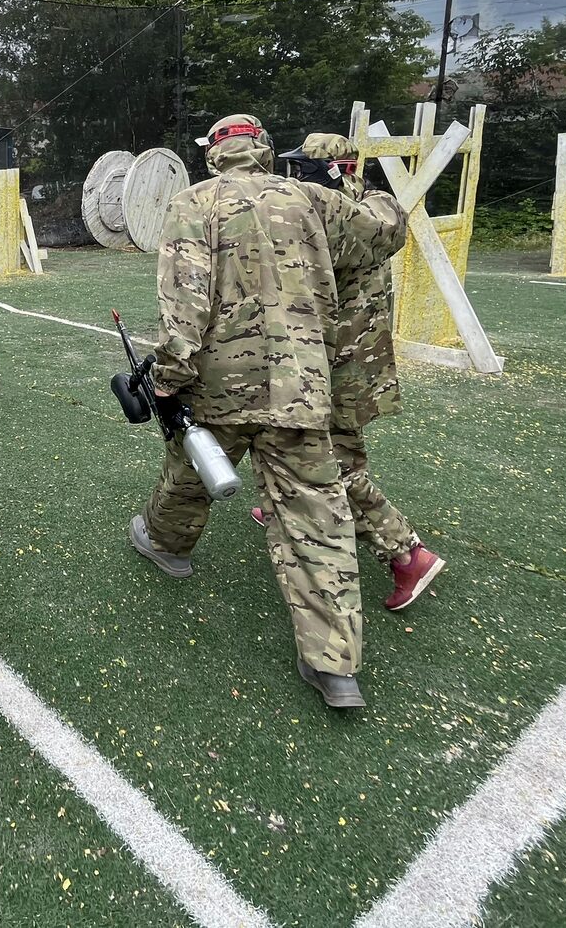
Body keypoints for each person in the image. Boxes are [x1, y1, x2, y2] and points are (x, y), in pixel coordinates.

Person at [128, 114, 405, 709]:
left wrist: (170, 380)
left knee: (193, 470)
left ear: (213, 156)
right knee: (317, 517)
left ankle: (165, 545)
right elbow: (386, 234)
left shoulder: (192, 203)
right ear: (263, 151)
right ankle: (335, 668)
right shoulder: (311, 197)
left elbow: (184, 304)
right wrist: (367, 184)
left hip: (220, 386)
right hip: (303, 384)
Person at [273, 133, 444, 612]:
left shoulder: (327, 220)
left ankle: (407, 554)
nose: (293, 176)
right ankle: (278, 504)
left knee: (334, 466)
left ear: (333, 171)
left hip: (330, 363)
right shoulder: (376, 207)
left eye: (303, 168)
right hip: (364, 362)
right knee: (332, 448)